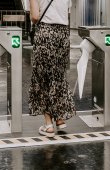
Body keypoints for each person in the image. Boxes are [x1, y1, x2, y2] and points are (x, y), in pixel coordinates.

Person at [29, 0, 76, 138]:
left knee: (43, 78)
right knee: (58, 76)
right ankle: (59, 119)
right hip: (63, 35)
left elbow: (35, 17)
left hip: (45, 33)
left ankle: (48, 125)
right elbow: (66, 13)